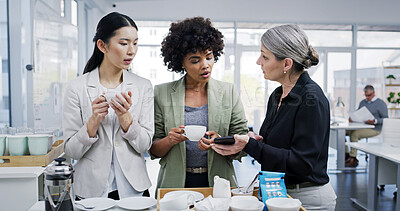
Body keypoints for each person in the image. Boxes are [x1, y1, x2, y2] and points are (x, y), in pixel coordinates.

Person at [211, 25, 337, 210]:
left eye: (265, 56)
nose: (258, 62)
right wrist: (255, 140)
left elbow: (302, 164)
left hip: (307, 199)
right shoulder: (278, 95)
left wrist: (252, 146)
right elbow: (280, 146)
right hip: (279, 192)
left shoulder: (312, 98)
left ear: (286, 64)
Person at [63, 12, 153, 199]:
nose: (131, 50)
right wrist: (93, 122)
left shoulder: (143, 86)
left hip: (134, 189)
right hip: (91, 190)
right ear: (102, 45)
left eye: (135, 43)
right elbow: (71, 151)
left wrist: (126, 119)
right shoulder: (76, 87)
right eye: (124, 43)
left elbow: (145, 145)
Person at [150, 17, 248, 189]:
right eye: (195, 61)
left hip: (219, 181)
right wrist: (170, 140)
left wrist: (220, 142)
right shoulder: (162, 93)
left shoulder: (228, 92)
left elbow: (243, 141)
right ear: (181, 62)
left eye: (209, 57)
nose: (205, 65)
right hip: (174, 183)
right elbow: (153, 149)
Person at [345, 85, 388, 167]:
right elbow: (358, 114)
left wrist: (375, 121)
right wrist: (352, 118)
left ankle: (353, 158)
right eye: (366, 95)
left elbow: (385, 119)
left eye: (369, 95)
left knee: (355, 134)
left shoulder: (381, 104)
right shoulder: (362, 102)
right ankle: (346, 154)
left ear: (374, 93)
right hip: (362, 126)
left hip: (375, 129)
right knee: (342, 133)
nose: (367, 97)